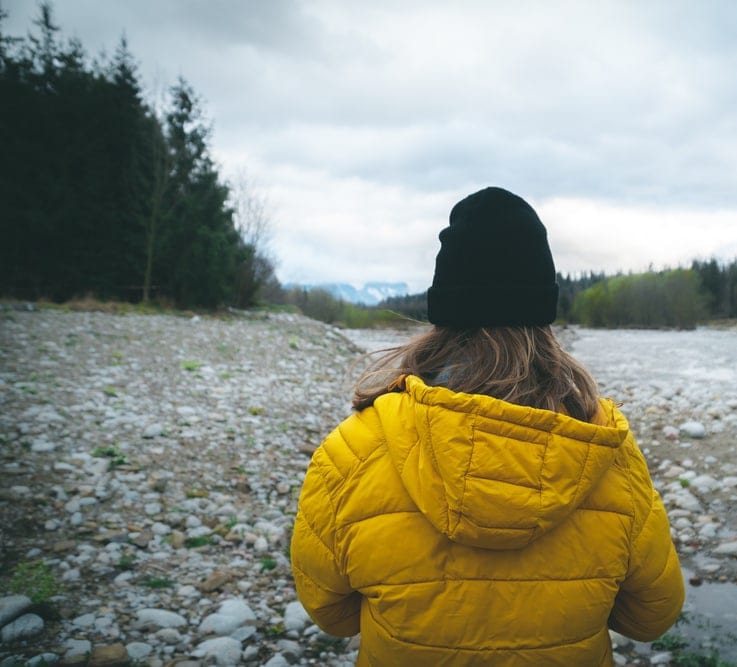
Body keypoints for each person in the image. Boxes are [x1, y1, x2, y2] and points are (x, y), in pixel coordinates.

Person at [290, 186, 685, 666]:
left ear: (444, 312)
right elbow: (651, 617)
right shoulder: (605, 449)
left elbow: (330, 613)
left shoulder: (354, 451)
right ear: (543, 315)